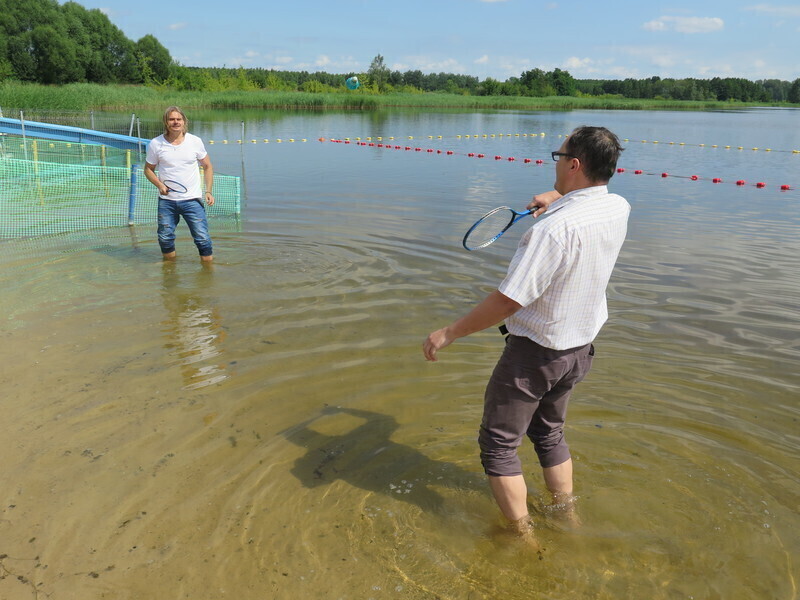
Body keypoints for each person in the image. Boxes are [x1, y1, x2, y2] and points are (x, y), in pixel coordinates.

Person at [422, 126, 630, 538]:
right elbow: (584, 203)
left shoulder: (551, 231)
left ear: (574, 164)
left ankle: (523, 538)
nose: (553, 162)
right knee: (549, 432)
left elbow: (508, 301)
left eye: (558, 155)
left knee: (498, 446)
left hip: (535, 355)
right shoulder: (617, 207)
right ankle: (567, 516)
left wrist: (449, 332)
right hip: (579, 351)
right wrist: (558, 196)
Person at [144, 106, 216, 262]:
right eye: (171, 119)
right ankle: (169, 270)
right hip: (167, 201)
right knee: (165, 237)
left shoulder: (195, 141)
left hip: (192, 200)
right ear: (166, 122)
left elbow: (207, 166)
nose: (175, 122)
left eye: (178, 119)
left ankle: (209, 273)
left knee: (202, 238)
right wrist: (160, 185)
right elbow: (148, 170)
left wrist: (208, 191)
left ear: (184, 121)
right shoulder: (156, 144)